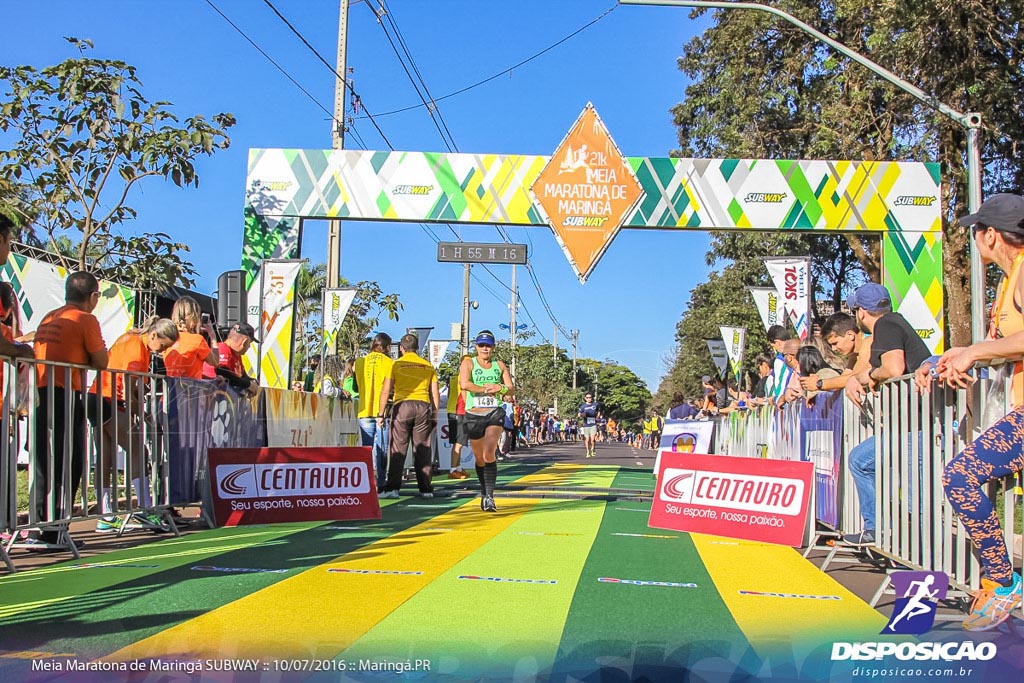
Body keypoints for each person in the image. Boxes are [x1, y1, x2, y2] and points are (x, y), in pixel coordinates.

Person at [915, 193, 1024, 630]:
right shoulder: (1009, 279)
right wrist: (950, 359)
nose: (972, 240)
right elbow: (1003, 347)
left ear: (991, 235)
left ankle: (1002, 581)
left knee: (960, 475)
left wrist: (977, 351)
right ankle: (999, 580)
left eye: (975, 232)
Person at [842, 282, 931, 546]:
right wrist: (855, 379)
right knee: (860, 460)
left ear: (860, 312)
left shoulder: (886, 326)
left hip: (915, 424)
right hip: (905, 425)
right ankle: (877, 529)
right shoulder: (894, 323)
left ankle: (925, 558)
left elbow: (893, 369)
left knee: (918, 496)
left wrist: (870, 375)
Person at [30, 271, 108, 549]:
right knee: (69, 461)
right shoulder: (86, 319)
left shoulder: (49, 317)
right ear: (94, 296)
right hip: (65, 393)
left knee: (43, 460)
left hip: (41, 393)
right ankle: (55, 530)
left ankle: (38, 527)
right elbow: (101, 360)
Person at [90, 317, 179, 533]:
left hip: (98, 397)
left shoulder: (131, 339)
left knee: (106, 457)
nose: (161, 351)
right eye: (163, 345)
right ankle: (143, 507)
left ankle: (106, 514)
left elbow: (132, 386)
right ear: (154, 335)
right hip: (109, 400)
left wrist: (141, 410)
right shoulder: (136, 345)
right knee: (138, 448)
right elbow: (129, 382)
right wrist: (139, 412)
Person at [377, 334, 439, 498]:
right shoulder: (428, 366)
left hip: (402, 407)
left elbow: (386, 390)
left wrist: (380, 414)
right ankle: (425, 489)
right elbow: (435, 393)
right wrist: (435, 415)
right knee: (423, 448)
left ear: (401, 349)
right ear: (417, 348)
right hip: (423, 406)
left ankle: (393, 489)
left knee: (398, 448)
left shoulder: (396, 364)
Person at [459, 330, 513, 512]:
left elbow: (511, 389)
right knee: (479, 457)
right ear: (476, 347)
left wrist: (501, 388)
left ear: (493, 347)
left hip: (494, 413)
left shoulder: (499, 365)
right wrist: (484, 389)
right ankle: (484, 492)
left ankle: (490, 497)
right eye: (481, 345)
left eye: (488, 345)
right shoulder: (468, 363)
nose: (484, 349)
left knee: (489, 452)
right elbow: (464, 384)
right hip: (474, 413)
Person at [355, 332, 393, 492]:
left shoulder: (359, 362)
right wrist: (382, 412)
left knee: (366, 449)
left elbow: (357, 386)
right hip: (380, 412)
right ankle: (381, 482)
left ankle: (366, 482)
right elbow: (387, 389)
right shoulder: (389, 362)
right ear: (387, 346)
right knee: (381, 449)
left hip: (364, 410)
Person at [164, 296, 218, 379]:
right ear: (193, 316)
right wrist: (213, 336)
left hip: (171, 388)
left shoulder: (167, 337)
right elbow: (215, 362)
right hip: (191, 389)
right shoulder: (197, 340)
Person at [202, 322, 259, 393]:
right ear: (244, 342)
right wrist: (248, 385)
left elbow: (242, 376)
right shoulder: (222, 348)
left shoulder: (236, 355)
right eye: (249, 343)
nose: (249, 347)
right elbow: (222, 371)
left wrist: (252, 382)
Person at [445, 356, 471, 479]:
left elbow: (449, 394)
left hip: (452, 411)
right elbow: (465, 395)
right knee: (459, 442)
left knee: (457, 442)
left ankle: (457, 467)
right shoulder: (465, 378)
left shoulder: (453, 378)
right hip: (461, 411)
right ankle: (453, 469)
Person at [578, 392, 601, 458]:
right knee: (587, 440)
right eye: (587, 398)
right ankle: (588, 451)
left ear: (592, 398)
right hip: (586, 425)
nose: (589, 399)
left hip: (593, 424)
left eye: (590, 397)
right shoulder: (583, 406)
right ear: (585, 398)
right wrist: (583, 415)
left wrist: (597, 417)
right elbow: (579, 414)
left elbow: (598, 411)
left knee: (593, 439)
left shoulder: (595, 404)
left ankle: (593, 448)